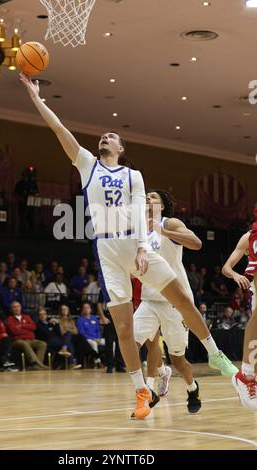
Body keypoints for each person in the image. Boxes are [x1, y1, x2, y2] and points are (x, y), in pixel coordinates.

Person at [20, 72, 237, 419]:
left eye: (112, 137)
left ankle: (214, 353)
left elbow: (139, 210)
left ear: (121, 148)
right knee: (123, 328)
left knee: (181, 297)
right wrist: (36, 100)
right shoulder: (87, 164)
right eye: (102, 136)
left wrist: (140, 247)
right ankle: (140, 391)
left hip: (133, 245)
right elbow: (60, 130)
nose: (105, 137)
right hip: (106, 250)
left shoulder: (132, 176)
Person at [133, 190, 202, 413]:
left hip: (175, 301)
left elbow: (196, 243)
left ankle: (192, 388)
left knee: (178, 359)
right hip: (150, 298)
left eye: (153, 196)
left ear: (162, 206)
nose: (147, 197)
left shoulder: (170, 223)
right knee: (130, 344)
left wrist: (163, 231)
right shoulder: (139, 232)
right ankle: (149, 391)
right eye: (145, 195)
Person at [222, 218, 257, 410]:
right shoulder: (248, 237)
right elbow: (226, 268)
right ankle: (246, 376)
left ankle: (249, 378)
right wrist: (236, 275)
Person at [5, 301, 48, 370]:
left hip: (30, 339)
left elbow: (33, 327)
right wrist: (27, 328)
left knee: (42, 344)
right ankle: (38, 364)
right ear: (12, 309)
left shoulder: (26, 317)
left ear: (21, 308)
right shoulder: (9, 319)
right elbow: (14, 332)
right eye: (14, 307)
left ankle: (36, 366)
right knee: (24, 343)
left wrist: (21, 326)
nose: (17, 308)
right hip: (17, 340)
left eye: (18, 306)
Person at [97, 289, 125, 373]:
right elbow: (99, 304)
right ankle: (109, 365)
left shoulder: (119, 288)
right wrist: (102, 317)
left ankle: (119, 365)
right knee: (109, 343)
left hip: (119, 317)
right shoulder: (103, 289)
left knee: (119, 342)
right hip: (108, 317)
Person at [76, 302, 103, 368]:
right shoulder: (80, 320)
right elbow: (81, 333)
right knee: (94, 343)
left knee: (112, 343)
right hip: (87, 339)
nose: (86, 309)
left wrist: (98, 338)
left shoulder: (94, 318)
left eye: (87, 307)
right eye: (84, 308)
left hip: (97, 338)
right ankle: (97, 363)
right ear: (82, 310)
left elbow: (98, 330)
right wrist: (94, 339)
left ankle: (112, 361)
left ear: (90, 309)